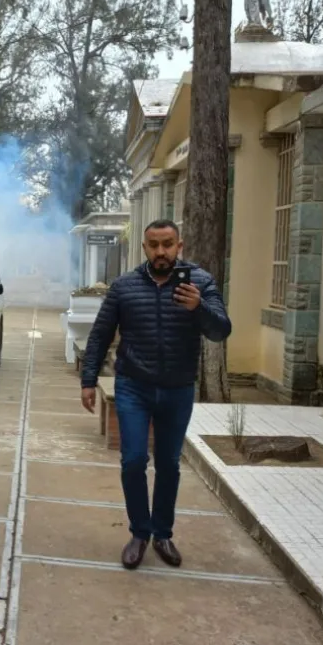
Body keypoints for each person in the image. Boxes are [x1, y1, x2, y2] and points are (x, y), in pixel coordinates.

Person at [80, 219, 231, 570]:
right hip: (134, 386)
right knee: (133, 460)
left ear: (180, 246)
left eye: (167, 244)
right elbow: (100, 334)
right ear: (144, 248)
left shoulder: (201, 282)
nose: (160, 252)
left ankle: (163, 533)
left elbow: (221, 331)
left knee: (168, 464)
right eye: (153, 245)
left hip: (178, 389)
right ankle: (139, 532)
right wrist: (89, 380)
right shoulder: (124, 286)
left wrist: (200, 308)